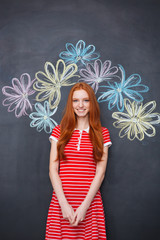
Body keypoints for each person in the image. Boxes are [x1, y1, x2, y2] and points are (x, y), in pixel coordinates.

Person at [45, 82, 112, 240]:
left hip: (90, 204)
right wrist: (63, 205)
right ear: (70, 103)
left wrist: (84, 207)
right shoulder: (59, 131)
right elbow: (53, 170)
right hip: (61, 203)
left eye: (86, 100)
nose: (80, 105)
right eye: (75, 100)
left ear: (92, 103)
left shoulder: (102, 133)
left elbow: (100, 173)